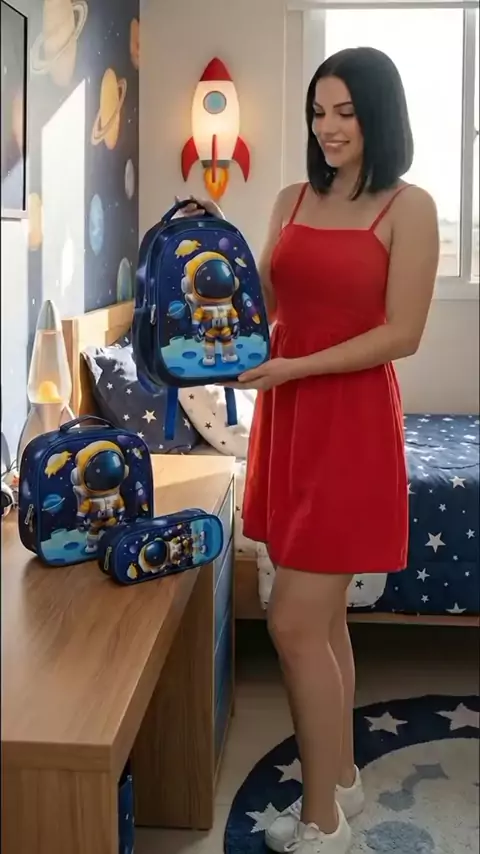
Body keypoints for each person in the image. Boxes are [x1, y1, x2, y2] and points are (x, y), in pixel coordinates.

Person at [178, 45, 439, 854]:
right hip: (289, 423)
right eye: (318, 112)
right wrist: (207, 248)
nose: (328, 127)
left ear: (379, 117)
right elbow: (261, 302)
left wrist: (292, 367)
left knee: (291, 623)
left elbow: (403, 334)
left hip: (349, 424)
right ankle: (345, 781)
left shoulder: (409, 207)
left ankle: (323, 823)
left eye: (345, 113)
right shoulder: (290, 199)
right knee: (321, 623)